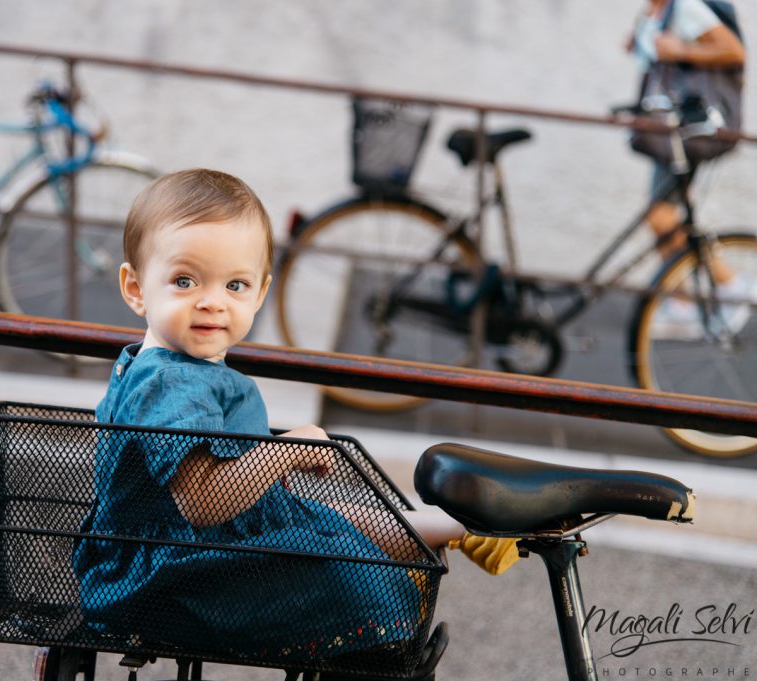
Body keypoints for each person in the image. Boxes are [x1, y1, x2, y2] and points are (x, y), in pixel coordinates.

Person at [71, 168, 518, 662]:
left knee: (319, 521)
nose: (212, 302)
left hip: (194, 552)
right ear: (135, 289)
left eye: (235, 285)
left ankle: (452, 527)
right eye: (184, 280)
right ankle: (409, 560)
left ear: (260, 294)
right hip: (163, 577)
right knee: (346, 568)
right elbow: (203, 503)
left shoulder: (175, 367)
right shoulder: (171, 382)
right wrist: (286, 450)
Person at [628, 0, 750, 336]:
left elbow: (733, 51)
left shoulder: (687, 7)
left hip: (685, 133)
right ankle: (681, 304)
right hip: (666, 132)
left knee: (662, 217)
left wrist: (680, 48)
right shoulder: (659, 9)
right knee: (664, 217)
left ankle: (731, 286)